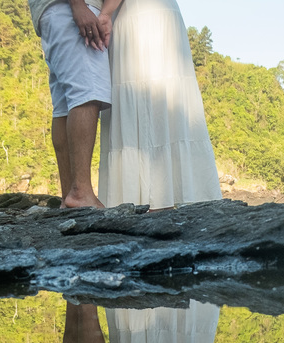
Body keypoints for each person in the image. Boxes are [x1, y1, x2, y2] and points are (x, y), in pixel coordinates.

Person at [94, 0, 223, 209]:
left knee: (144, 93)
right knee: (161, 93)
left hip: (137, 16)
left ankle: (145, 200)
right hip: (161, 14)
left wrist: (105, 13)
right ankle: (169, 198)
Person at [29, 0, 113, 208]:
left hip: (52, 12)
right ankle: (81, 192)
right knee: (86, 94)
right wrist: (78, 5)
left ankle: (70, 195)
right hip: (71, 9)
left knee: (65, 106)